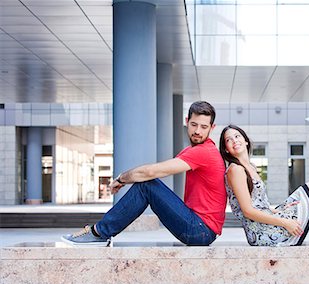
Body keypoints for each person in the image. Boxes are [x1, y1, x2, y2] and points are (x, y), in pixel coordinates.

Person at [62, 101, 227, 246]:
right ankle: (101, 232)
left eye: (204, 127)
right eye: (194, 124)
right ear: (186, 122)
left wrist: (122, 178)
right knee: (147, 184)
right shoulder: (194, 151)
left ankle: (99, 233)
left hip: (200, 230)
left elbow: (151, 172)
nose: (197, 131)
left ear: (212, 128)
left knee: (147, 185)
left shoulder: (204, 152)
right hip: (199, 228)